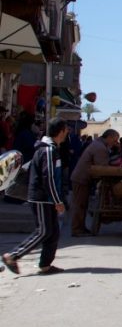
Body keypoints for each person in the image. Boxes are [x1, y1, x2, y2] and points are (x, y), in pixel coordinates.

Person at [2, 118, 69, 275]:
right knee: (44, 231)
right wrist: (57, 200)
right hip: (42, 197)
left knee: (53, 232)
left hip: (46, 197)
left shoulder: (51, 149)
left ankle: (45, 265)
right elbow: (49, 177)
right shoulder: (48, 151)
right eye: (66, 130)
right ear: (60, 132)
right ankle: (12, 256)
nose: (67, 133)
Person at [68, 129, 119, 237]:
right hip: (81, 178)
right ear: (109, 137)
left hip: (82, 178)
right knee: (79, 204)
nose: (115, 143)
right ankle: (77, 229)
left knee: (82, 205)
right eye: (114, 141)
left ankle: (80, 228)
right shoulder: (100, 148)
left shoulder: (98, 144)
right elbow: (102, 168)